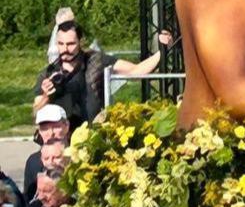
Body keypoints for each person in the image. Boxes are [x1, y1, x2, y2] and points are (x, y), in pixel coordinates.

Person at [34, 20, 174, 128]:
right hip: (61, 141)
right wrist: (47, 95)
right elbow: (36, 112)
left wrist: (163, 51)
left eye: (70, 44)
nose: (65, 49)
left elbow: (135, 71)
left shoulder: (96, 61)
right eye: (61, 44)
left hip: (93, 136)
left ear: (81, 42)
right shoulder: (49, 74)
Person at [23, 104, 71, 203]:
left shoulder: (80, 157)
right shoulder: (33, 162)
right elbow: (27, 200)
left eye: (56, 127)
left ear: (66, 126)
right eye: (45, 129)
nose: (51, 133)